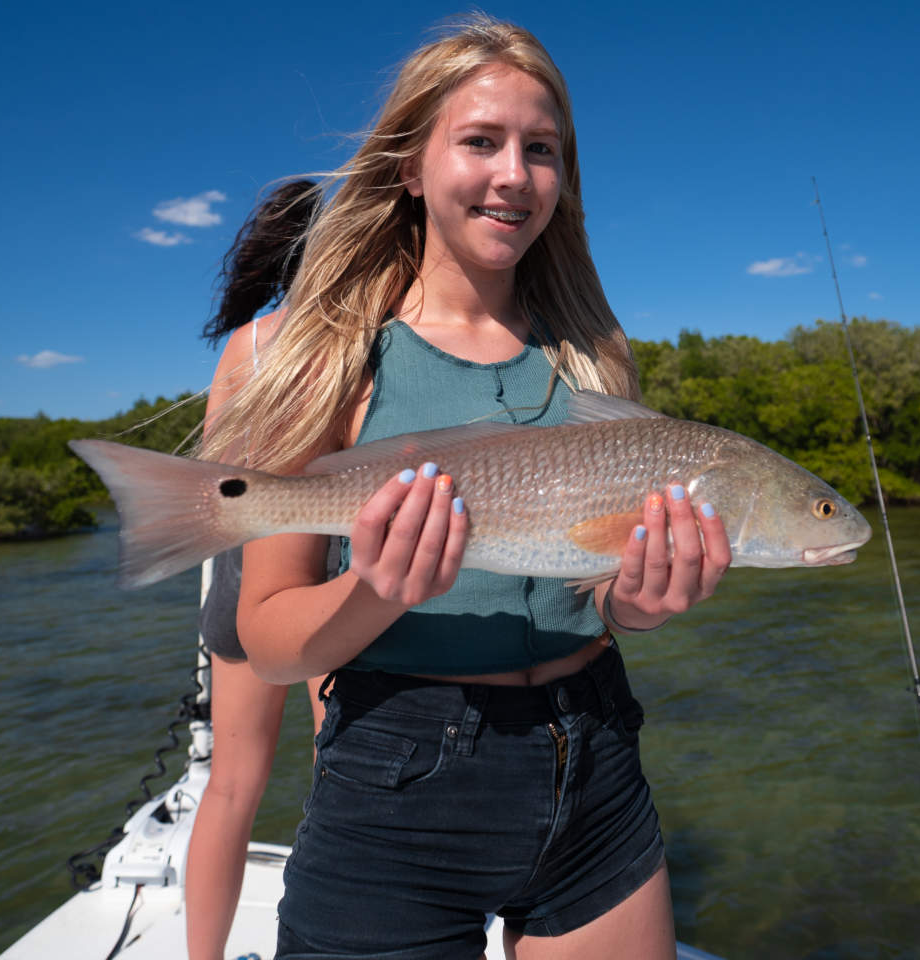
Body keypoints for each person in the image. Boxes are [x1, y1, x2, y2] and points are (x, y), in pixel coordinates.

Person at [200, 16, 732, 960]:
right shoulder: (317, 355)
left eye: (542, 150)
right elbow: (268, 642)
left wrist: (641, 604)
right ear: (410, 167)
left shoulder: (595, 356)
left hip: (598, 762)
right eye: (480, 142)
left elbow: (602, 594)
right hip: (395, 783)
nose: (513, 174)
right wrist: (378, 586)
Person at [184, 179, 326, 960]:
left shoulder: (252, 345)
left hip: (242, 575)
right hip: (326, 575)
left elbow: (214, 483)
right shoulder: (367, 342)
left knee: (231, 787)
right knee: (338, 775)